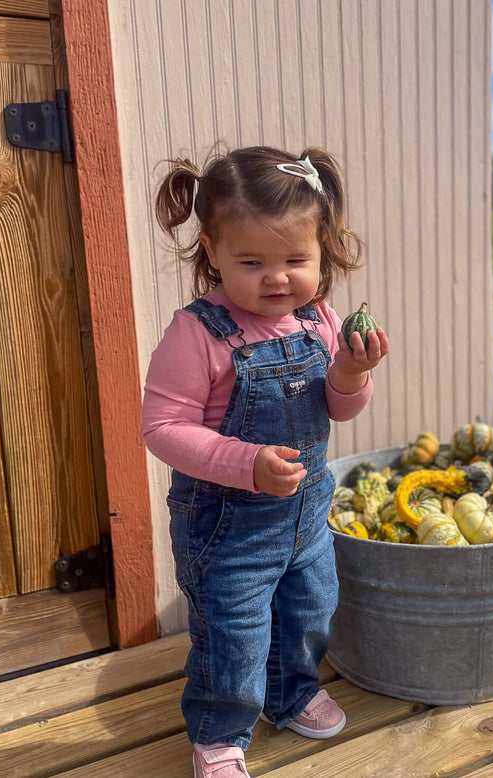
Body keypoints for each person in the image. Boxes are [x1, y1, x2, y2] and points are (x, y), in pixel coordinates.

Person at [141, 146, 389, 778]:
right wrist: (244, 462)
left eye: (294, 260)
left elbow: (337, 409)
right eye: (252, 262)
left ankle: (291, 692)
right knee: (234, 635)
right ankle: (220, 735)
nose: (276, 278)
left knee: (309, 607)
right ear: (212, 252)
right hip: (227, 528)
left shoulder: (318, 320)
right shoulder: (198, 333)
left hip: (305, 516)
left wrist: (351, 373)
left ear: (323, 249)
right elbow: (163, 428)